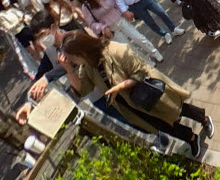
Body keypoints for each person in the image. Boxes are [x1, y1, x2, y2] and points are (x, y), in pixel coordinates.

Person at [59, 31, 212, 157]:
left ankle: (203, 118)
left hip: (146, 90)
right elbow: (82, 90)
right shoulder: (87, 67)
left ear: (82, 52)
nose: (73, 61)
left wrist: (120, 87)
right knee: (161, 125)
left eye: (73, 58)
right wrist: (69, 70)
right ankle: (191, 138)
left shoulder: (115, 50)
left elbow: (141, 71)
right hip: (129, 104)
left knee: (177, 109)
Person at [79, 0, 163, 63]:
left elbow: (116, 3)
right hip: (111, 30)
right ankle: (146, 63)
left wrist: (125, 12)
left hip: (121, 20)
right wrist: (103, 28)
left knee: (138, 38)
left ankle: (154, 53)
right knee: (129, 48)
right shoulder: (86, 7)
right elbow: (91, 24)